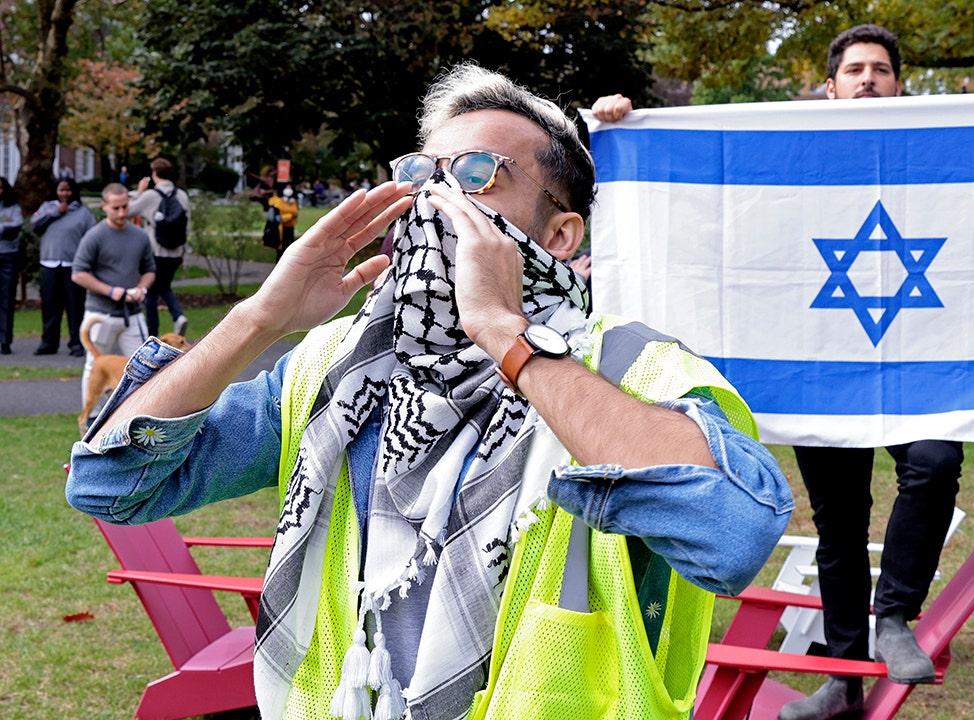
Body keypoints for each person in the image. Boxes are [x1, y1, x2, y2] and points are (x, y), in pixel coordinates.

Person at [66, 64, 792, 720]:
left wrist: (506, 334)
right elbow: (110, 483)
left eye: (478, 174)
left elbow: (732, 535)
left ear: (562, 234)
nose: (435, 199)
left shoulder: (637, 370)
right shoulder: (340, 366)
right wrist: (261, 319)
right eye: (422, 172)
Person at [592, 24, 974, 720]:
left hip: (923, 363)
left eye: (880, 68)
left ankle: (895, 616)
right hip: (821, 364)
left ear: (900, 85)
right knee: (840, 526)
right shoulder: (792, 156)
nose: (868, 78)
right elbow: (722, 214)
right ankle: (843, 683)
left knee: (934, 462)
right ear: (830, 86)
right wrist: (621, 127)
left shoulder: (933, 145)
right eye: (855, 69)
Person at [71, 182, 155, 413]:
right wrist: (110, 290)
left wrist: (142, 288)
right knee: (94, 365)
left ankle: (140, 415)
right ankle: (93, 419)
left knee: (142, 366)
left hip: (133, 315)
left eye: (125, 207)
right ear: (104, 206)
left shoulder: (139, 236)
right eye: (116, 208)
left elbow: (150, 270)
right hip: (101, 313)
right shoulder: (95, 236)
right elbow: (78, 274)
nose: (122, 213)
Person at [32, 178, 96, 357]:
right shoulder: (47, 207)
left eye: (68, 190)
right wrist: (55, 212)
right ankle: (48, 343)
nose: (64, 193)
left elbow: (91, 238)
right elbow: (34, 226)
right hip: (49, 264)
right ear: (55, 191)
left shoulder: (83, 212)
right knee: (50, 307)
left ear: (73, 191)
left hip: (73, 267)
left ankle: (77, 344)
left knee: (75, 307)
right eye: (61, 190)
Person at [131, 158, 192, 337]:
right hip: (175, 252)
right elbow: (187, 224)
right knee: (164, 287)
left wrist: (139, 192)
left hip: (154, 251)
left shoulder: (150, 196)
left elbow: (128, 210)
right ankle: (178, 316)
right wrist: (184, 250)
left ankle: (152, 334)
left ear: (154, 174)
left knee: (151, 292)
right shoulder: (182, 195)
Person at [0, 177, 23, 355]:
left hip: (8, 258)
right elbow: (6, 229)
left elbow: (14, 229)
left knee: (6, 301)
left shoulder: (13, 208)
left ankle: (5, 341)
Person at [266, 183, 300, 259]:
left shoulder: (294, 202)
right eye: (287, 187)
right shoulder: (278, 202)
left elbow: (296, 213)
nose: (288, 190)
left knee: (289, 247)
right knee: (281, 249)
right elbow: (277, 218)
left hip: (290, 228)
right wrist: (290, 216)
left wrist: (291, 215)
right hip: (281, 229)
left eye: (290, 188)